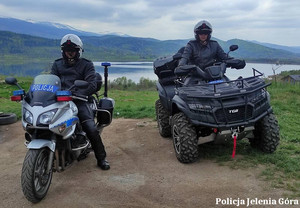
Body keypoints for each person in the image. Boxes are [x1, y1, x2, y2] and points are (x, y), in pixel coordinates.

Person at [51, 34, 110, 170]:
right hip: (60, 101)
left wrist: (79, 93)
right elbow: (52, 81)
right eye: (67, 50)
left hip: (80, 100)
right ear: (63, 51)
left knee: (90, 128)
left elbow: (92, 84)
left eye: (72, 50)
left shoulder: (86, 64)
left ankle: (101, 158)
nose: (69, 53)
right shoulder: (57, 64)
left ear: (79, 51)